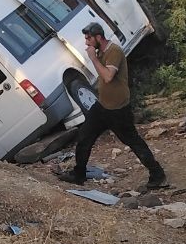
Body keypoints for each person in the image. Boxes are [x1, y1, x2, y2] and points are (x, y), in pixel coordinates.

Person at [59, 22, 168, 189]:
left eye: (89, 39)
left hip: (118, 109)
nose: (87, 43)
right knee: (84, 138)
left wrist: (93, 59)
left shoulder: (113, 51)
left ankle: (157, 174)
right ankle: (78, 174)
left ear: (98, 37)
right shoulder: (101, 52)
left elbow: (109, 76)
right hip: (102, 105)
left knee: (133, 141)